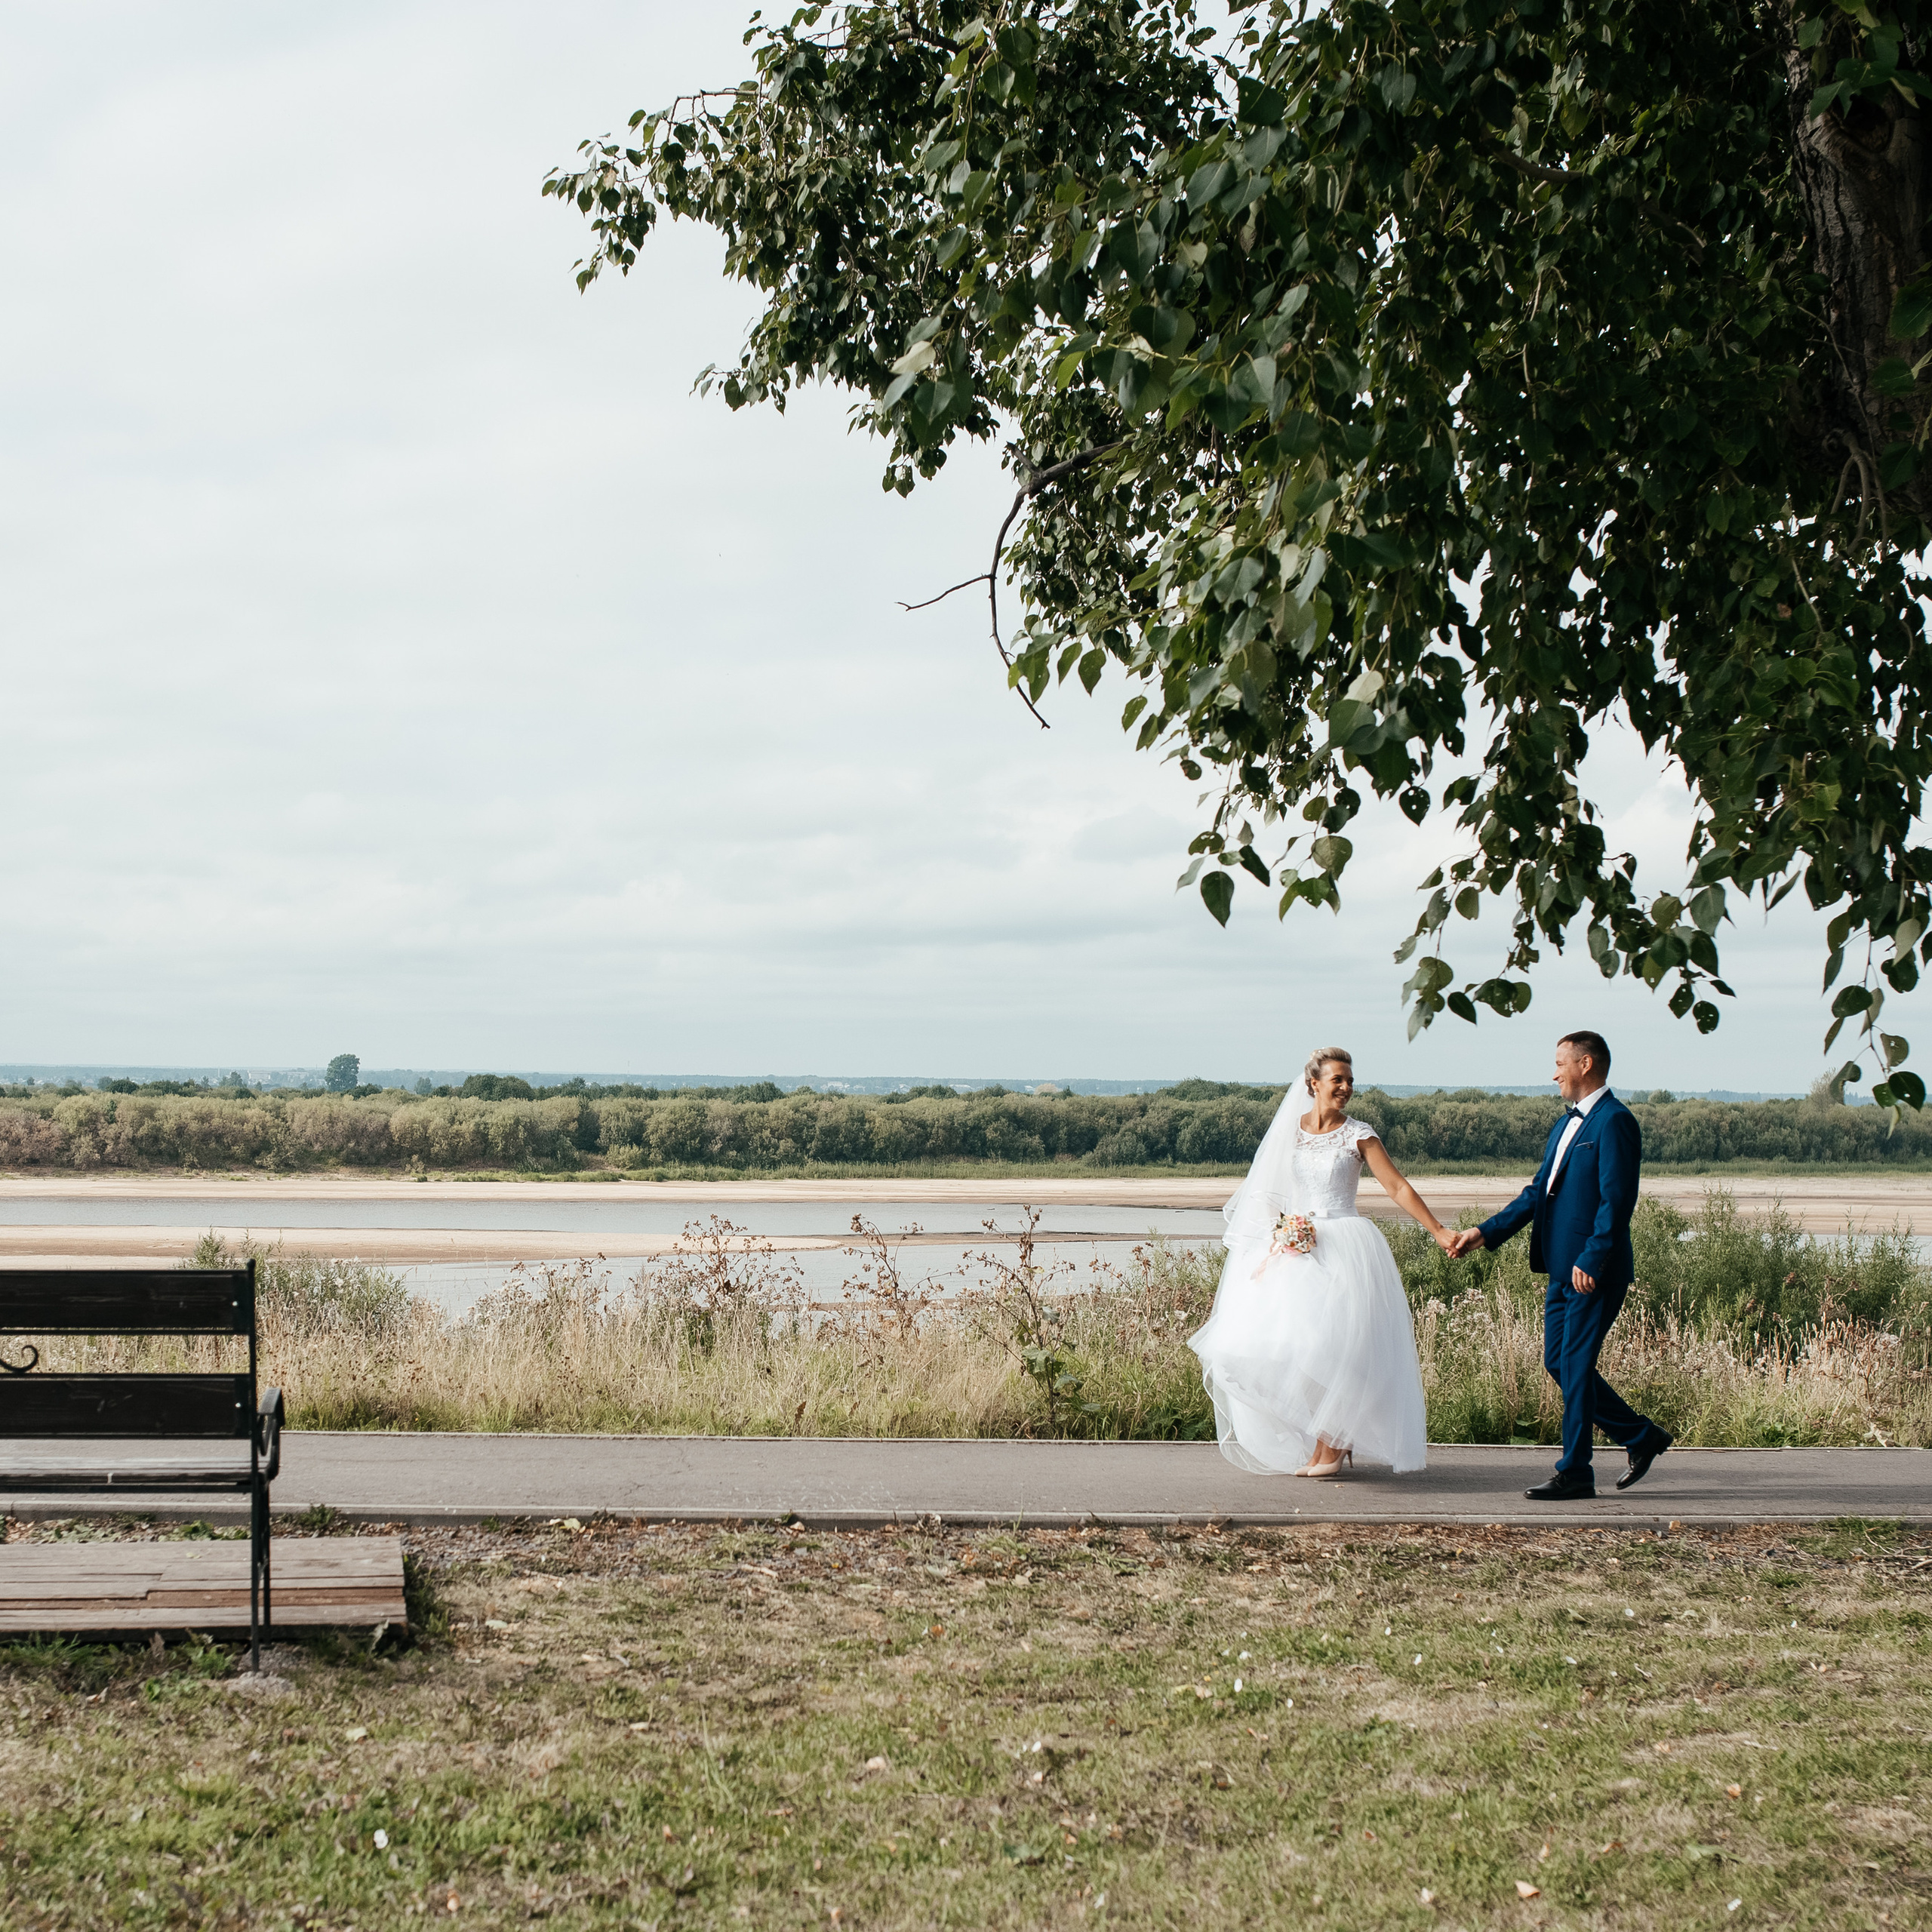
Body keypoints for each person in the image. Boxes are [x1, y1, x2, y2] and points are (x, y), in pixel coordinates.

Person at [1189, 1048, 1457, 1478]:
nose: (1347, 1088)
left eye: (1350, 1080)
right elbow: (1269, 1191)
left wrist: (1439, 1231)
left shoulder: (1359, 1135)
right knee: (1295, 1346)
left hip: (1347, 1244)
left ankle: (1333, 1444)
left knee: (1337, 1347)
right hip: (1299, 1245)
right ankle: (1326, 1440)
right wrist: (1274, 1238)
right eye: (1338, 1080)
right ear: (1313, 1083)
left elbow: (1397, 1187)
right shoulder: (1291, 1133)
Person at [1447, 1030, 1672, 1500]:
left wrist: (1593, 1256)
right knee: (1559, 1361)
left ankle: (1575, 1472)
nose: (1554, 1073)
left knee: (1574, 1362)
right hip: (1558, 1268)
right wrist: (1485, 1233)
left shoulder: (1615, 1122)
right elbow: (1537, 1193)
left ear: (1585, 1064)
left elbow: (1617, 1200)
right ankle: (1641, 1436)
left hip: (1594, 1271)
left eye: (1560, 1064)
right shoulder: (1564, 1125)